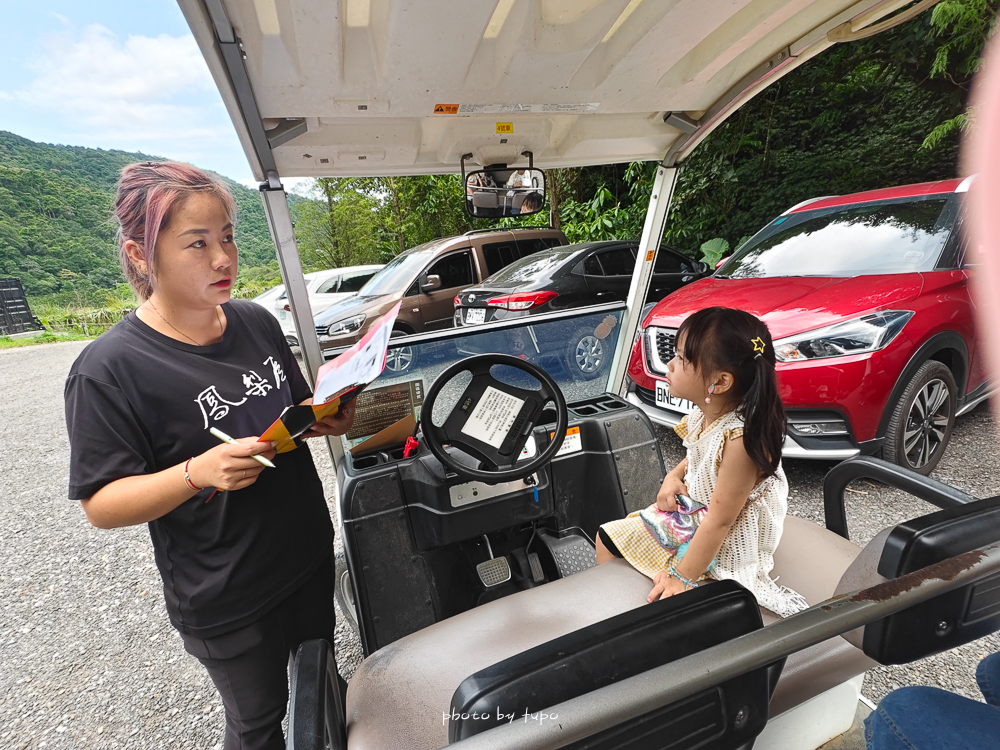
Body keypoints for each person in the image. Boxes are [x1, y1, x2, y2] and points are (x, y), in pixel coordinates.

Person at [64, 161, 354, 750]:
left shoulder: (254, 321)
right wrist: (198, 472)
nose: (223, 259)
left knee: (323, 686)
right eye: (197, 244)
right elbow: (102, 502)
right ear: (141, 255)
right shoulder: (108, 369)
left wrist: (326, 418)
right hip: (228, 592)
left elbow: (294, 409)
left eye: (227, 237)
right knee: (260, 721)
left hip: (303, 554)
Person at [596, 307, 807, 616]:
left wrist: (680, 578)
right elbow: (697, 454)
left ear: (719, 382)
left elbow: (721, 522)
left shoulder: (741, 440)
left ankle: (635, 618)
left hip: (729, 538)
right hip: (700, 514)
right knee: (608, 537)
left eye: (681, 359)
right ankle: (614, 610)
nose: (669, 365)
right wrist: (673, 475)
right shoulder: (706, 413)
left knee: (662, 590)